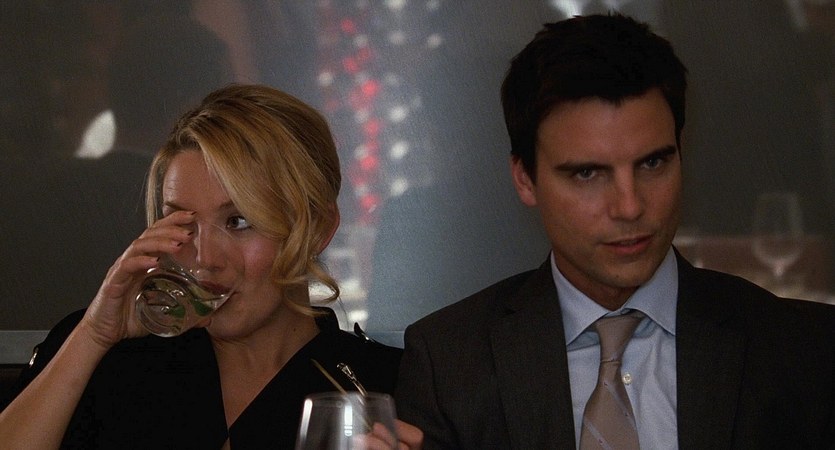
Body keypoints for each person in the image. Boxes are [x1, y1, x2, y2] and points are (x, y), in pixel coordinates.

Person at [394, 14, 835, 449]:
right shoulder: (450, 365)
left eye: (653, 163)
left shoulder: (804, 351)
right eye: (588, 173)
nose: (630, 206)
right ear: (525, 178)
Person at [0, 84, 422, 449]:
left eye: (238, 221)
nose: (204, 258)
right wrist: (92, 336)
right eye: (183, 223)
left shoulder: (388, 386)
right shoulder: (105, 354)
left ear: (317, 228)